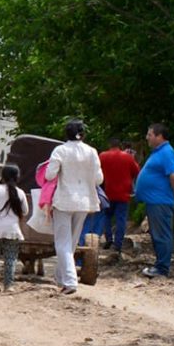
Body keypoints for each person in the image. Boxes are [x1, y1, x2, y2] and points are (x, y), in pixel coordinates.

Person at [45, 119, 103, 295]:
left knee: (62, 243)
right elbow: (99, 179)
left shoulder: (60, 150)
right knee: (71, 241)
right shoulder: (92, 152)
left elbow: (49, 175)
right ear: (83, 134)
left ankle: (70, 282)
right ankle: (61, 277)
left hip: (64, 200)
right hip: (85, 201)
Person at [135, 123, 174, 278]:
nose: (147, 137)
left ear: (159, 136)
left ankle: (162, 268)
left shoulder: (167, 152)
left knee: (161, 235)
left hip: (160, 201)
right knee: (157, 234)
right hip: (155, 201)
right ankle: (160, 265)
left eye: (150, 134)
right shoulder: (158, 152)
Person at [0, 164, 28, 293]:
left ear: (2, 176)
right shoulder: (20, 193)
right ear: (17, 177)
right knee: (11, 258)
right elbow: (25, 211)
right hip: (13, 230)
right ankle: (9, 285)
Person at [99, 138, 140, 252]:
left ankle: (108, 238)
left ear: (109, 145)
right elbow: (137, 171)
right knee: (121, 219)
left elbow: (97, 172)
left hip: (107, 192)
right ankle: (118, 243)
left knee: (106, 216)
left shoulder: (102, 156)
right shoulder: (127, 157)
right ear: (120, 146)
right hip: (123, 193)